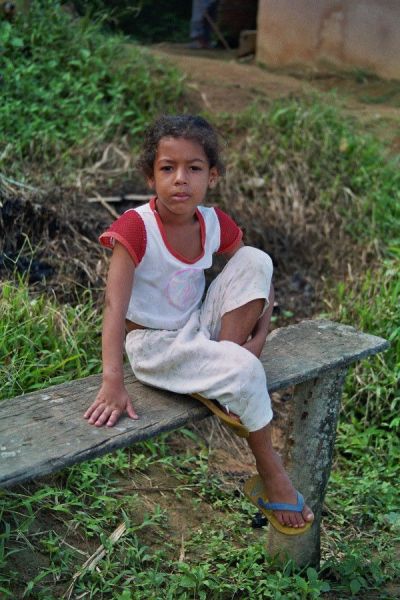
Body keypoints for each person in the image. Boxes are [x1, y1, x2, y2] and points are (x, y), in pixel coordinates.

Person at [84, 115, 314, 532]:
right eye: (167, 168)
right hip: (156, 347)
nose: (180, 179)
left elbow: (256, 279)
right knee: (247, 371)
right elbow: (114, 306)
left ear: (212, 176)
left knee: (257, 258)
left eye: (193, 168)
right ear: (151, 177)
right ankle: (272, 473)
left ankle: (226, 368)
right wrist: (112, 380)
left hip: (196, 328)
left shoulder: (211, 222)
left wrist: (259, 336)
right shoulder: (136, 228)